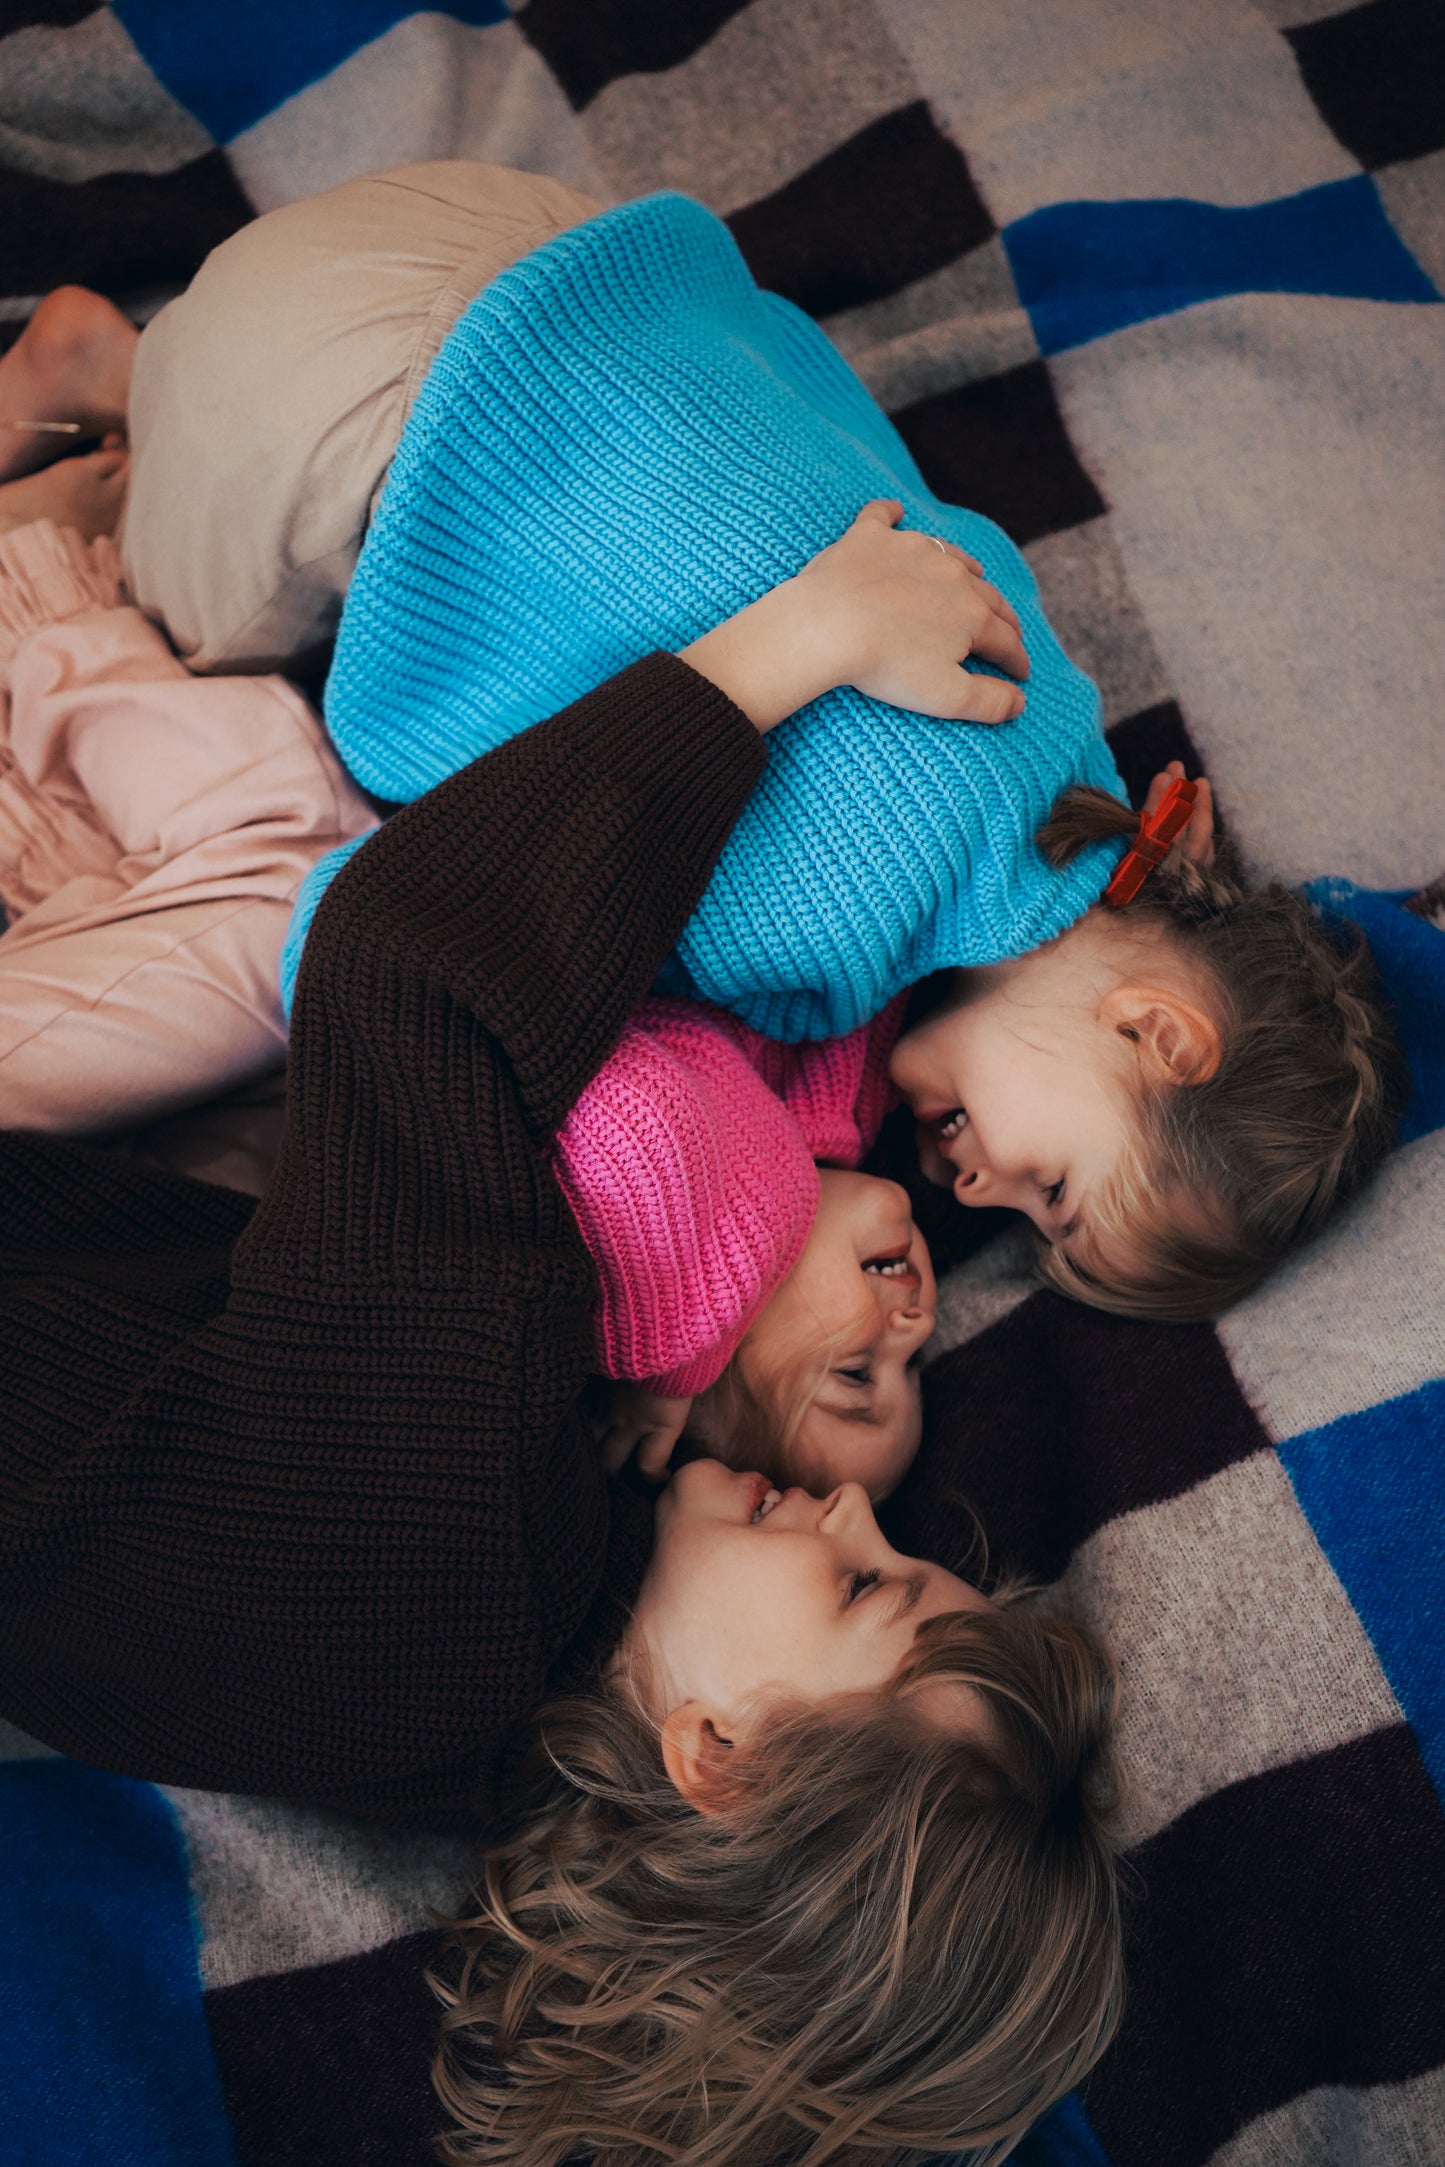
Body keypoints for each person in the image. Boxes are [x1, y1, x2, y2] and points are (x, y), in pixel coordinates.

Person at [0, 525, 1124, 2164]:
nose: (849, 1508)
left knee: (288, 883)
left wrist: (784, 648)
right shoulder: (478, 1724)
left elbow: (409, 976)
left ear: (719, 1756)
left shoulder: (437, 1557)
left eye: (865, 1586)